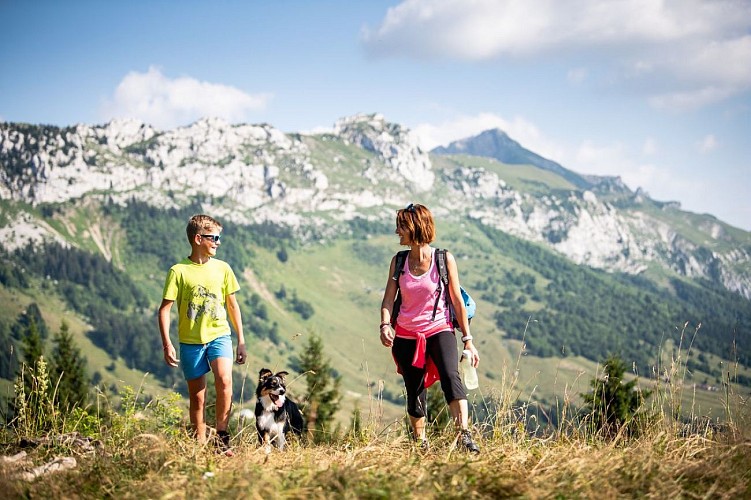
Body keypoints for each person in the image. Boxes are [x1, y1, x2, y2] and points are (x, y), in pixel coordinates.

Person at [379, 203, 480, 453]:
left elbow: (456, 300)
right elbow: (388, 299)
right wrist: (384, 324)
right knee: (415, 391)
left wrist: (468, 339)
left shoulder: (443, 259)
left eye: (401, 226)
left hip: (439, 328)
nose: (397, 231)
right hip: (405, 334)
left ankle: (464, 436)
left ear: (415, 227)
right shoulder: (399, 261)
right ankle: (420, 443)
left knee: (450, 376)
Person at [158, 214, 247, 456]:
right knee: (197, 398)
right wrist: (167, 344)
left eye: (219, 238)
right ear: (198, 239)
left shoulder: (223, 269)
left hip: (220, 336)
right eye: (214, 238)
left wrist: (241, 340)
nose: (218, 242)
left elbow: (232, 306)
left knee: (225, 381)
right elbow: (164, 309)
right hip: (191, 342)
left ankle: (221, 437)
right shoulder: (178, 271)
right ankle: (198, 443)